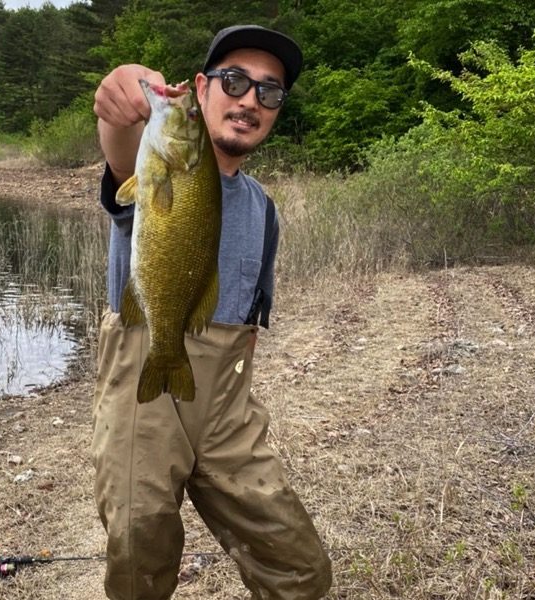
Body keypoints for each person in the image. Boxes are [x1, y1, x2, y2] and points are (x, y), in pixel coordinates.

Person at [91, 24, 333, 600]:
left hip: (227, 405)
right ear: (200, 89)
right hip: (144, 392)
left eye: (269, 92)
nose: (250, 100)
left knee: (299, 568)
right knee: (139, 562)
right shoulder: (156, 169)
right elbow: (121, 142)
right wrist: (120, 92)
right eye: (235, 81)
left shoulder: (263, 208)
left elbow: (251, 314)